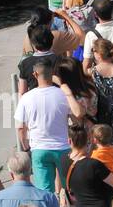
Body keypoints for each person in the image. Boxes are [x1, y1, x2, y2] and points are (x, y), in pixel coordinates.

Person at [14, 58, 72, 193]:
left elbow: (20, 127)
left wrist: (25, 145)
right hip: (63, 148)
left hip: (39, 149)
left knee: (44, 192)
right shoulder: (62, 95)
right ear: (52, 73)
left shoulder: (26, 97)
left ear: (34, 75)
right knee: (70, 190)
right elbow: (74, 118)